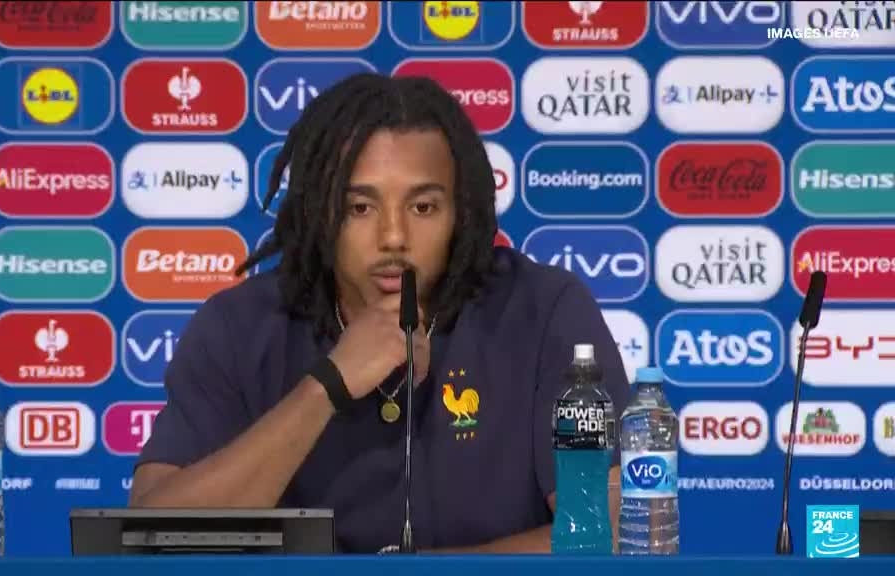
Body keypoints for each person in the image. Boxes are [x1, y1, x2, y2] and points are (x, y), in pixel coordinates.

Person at [129, 73, 630, 554]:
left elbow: (607, 532)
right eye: (360, 208)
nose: (393, 237)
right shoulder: (239, 327)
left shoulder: (542, 312)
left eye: (423, 208)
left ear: (461, 212)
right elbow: (152, 540)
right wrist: (325, 387)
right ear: (319, 212)